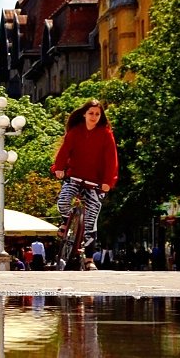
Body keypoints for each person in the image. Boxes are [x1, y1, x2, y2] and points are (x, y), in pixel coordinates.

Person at [51, 99, 119, 260]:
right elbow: (64, 151)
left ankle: (89, 260)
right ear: (84, 114)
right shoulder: (75, 132)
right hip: (74, 178)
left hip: (95, 184)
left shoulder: (106, 134)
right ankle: (67, 221)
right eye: (91, 113)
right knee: (63, 202)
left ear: (101, 116)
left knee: (90, 222)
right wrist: (59, 168)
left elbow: (112, 159)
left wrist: (108, 182)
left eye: (97, 114)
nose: (94, 116)